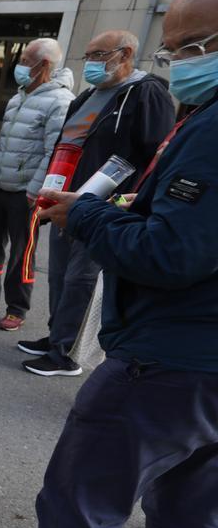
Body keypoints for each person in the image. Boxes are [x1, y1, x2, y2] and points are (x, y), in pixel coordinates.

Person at [0, 0, 218, 528]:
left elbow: (171, 252)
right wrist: (132, 207)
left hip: (170, 360)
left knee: (83, 497)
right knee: (191, 521)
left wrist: (92, 215)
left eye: (185, 47)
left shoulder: (208, 128)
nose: (174, 61)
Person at [18, 30, 174, 377]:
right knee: (59, 275)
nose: (91, 62)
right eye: (88, 55)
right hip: (66, 197)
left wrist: (126, 203)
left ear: (126, 54)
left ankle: (66, 353)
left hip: (104, 205)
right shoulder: (88, 95)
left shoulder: (145, 93)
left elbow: (154, 156)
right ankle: (56, 336)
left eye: (99, 54)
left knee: (80, 279)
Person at [0, 38, 74, 330]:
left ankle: (17, 307)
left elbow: (53, 152)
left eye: (24, 61)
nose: (19, 67)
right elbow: (5, 143)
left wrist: (36, 190)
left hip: (26, 193)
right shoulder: (19, 96)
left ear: (43, 65)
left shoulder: (60, 101)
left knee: (23, 252)